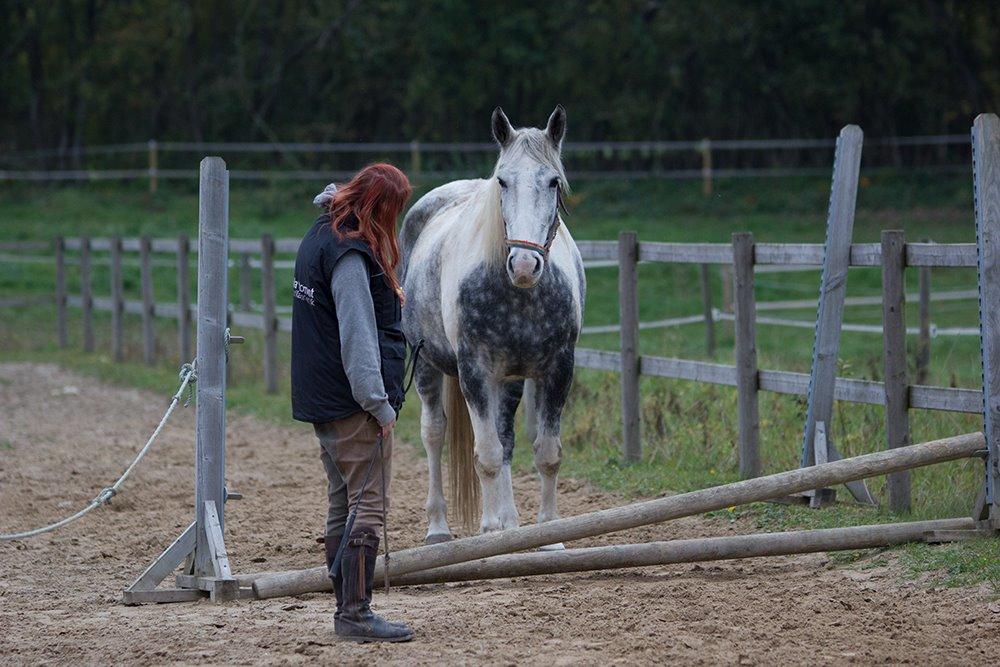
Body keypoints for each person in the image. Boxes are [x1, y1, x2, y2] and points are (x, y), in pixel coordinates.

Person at [291, 163, 413, 642]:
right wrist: (378, 404)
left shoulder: (318, 235)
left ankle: (347, 606)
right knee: (369, 505)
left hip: (320, 398)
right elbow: (358, 337)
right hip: (352, 403)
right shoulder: (348, 254)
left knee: (342, 501)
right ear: (380, 207)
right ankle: (356, 613)